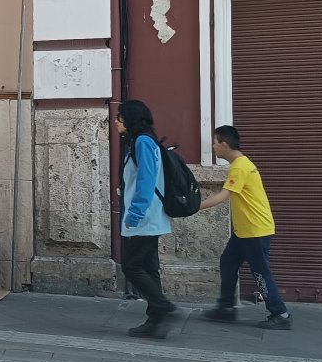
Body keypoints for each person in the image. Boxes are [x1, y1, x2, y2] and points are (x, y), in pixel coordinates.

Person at [197, 125, 292, 330]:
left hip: (254, 230)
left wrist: (194, 207)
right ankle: (226, 309)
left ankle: (280, 314)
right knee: (228, 263)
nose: (213, 147)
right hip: (244, 231)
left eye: (214, 143)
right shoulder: (241, 164)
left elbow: (223, 196)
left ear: (224, 145)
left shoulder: (240, 166)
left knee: (260, 273)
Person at [117, 100, 180, 339]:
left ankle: (164, 307)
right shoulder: (143, 140)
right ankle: (156, 319)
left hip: (143, 216)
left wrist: (134, 213)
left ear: (131, 119)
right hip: (150, 215)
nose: (116, 122)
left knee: (131, 266)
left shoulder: (142, 142)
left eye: (120, 118)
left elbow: (146, 179)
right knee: (149, 267)